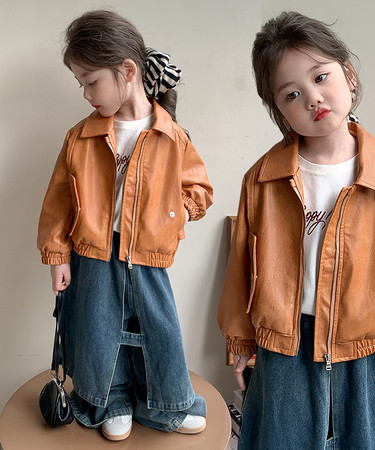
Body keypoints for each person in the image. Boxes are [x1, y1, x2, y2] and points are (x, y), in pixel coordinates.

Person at [218, 11, 375, 450]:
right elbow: (241, 267)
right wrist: (241, 340)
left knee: (373, 439)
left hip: (361, 345)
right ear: (279, 110)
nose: (313, 98)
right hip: (284, 343)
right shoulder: (262, 180)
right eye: (292, 94)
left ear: (348, 75)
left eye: (320, 77)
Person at [37, 10, 213, 441]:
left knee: (157, 328)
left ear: (127, 71)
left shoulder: (171, 135)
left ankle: (165, 403)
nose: (85, 94)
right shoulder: (80, 137)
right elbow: (59, 202)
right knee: (98, 328)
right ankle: (109, 400)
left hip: (148, 252)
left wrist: (169, 219)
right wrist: (57, 257)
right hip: (94, 251)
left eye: (91, 81)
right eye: (80, 84)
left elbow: (199, 191)